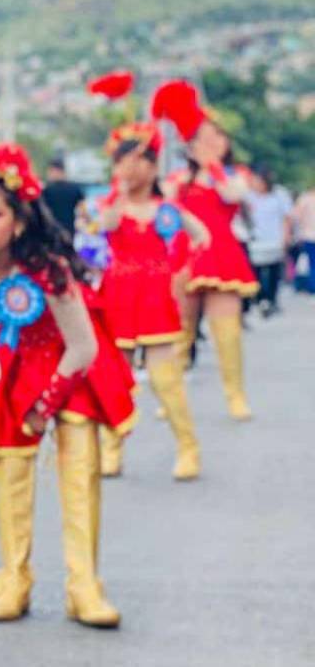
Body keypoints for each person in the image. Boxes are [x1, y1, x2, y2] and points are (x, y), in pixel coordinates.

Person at [0, 139, 131, 628]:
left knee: (80, 467)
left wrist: (45, 405)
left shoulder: (52, 269)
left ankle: (84, 584)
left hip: (71, 368)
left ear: (20, 220)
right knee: (9, 467)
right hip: (11, 368)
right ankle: (15, 577)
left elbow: (83, 346)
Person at [96, 124, 209, 480]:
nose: (132, 168)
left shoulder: (166, 209)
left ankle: (188, 448)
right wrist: (120, 189)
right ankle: (112, 447)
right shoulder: (112, 206)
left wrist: (185, 269)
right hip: (119, 296)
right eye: (124, 161)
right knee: (118, 378)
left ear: (154, 165)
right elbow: (106, 224)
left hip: (155, 299)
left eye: (140, 161)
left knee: (165, 379)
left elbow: (202, 236)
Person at [154, 80, 257, 421]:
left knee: (227, 332)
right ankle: (171, 397)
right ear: (191, 143)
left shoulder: (234, 175)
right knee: (179, 332)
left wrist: (212, 166)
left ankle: (236, 396)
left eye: (217, 137)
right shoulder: (178, 180)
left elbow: (233, 195)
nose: (211, 143)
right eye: (204, 138)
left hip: (223, 255)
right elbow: (162, 208)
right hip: (186, 258)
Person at [245, 165, 291, 318]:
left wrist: (285, 237)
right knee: (254, 272)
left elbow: (286, 218)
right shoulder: (248, 195)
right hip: (254, 240)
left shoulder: (279, 194)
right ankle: (260, 298)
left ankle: (271, 300)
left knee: (273, 271)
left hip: (275, 239)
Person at [41, 157, 84, 235]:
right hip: (69, 231)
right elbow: (82, 211)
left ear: (54, 170)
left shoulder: (46, 190)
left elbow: (42, 211)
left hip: (51, 231)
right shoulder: (75, 188)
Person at [292, 181, 315, 294]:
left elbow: (296, 217)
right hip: (308, 236)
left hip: (308, 236)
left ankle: (312, 287)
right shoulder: (305, 199)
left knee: (312, 263)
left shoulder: (304, 199)